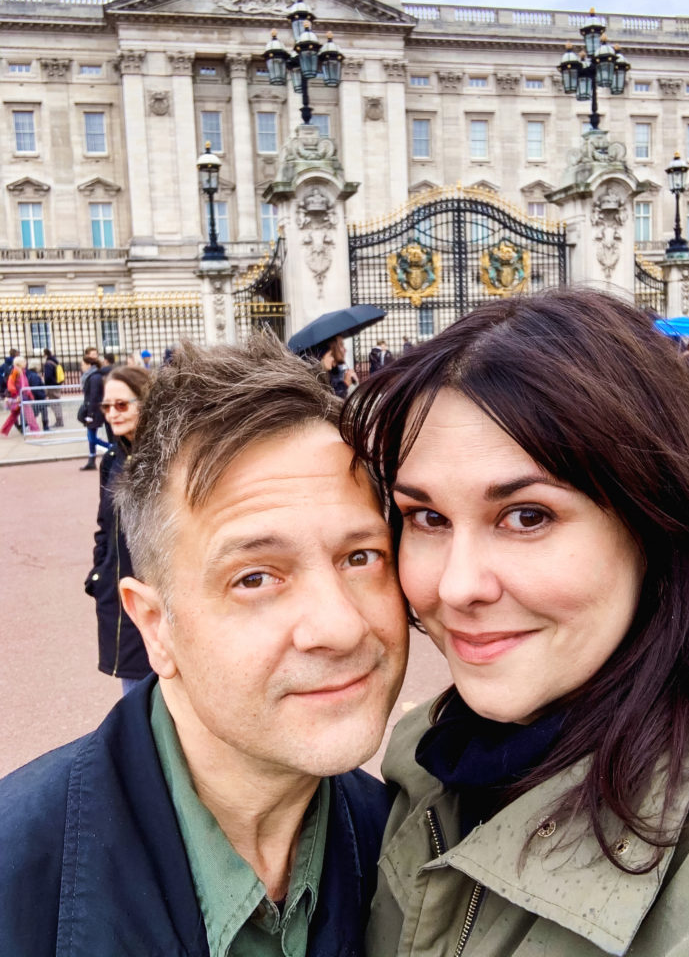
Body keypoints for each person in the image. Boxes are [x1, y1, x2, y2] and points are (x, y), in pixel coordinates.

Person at [343, 290, 689, 957]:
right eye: (427, 517)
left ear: (654, 523)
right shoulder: (424, 759)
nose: (457, 586)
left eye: (527, 516)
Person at [0, 336, 408, 957]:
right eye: (254, 578)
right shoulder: (16, 871)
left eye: (361, 556)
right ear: (155, 626)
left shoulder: (406, 845)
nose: (341, 626)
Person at [85, 365, 153, 694]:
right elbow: (104, 525)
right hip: (121, 590)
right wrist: (100, 571)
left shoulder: (165, 457)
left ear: (146, 402)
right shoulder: (112, 459)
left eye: (122, 405)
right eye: (106, 407)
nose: (112, 414)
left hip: (159, 590)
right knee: (134, 694)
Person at [79, 351, 109, 470]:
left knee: (92, 437)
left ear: (88, 365)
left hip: (94, 412)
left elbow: (94, 396)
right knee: (90, 436)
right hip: (91, 410)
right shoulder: (91, 376)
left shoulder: (94, 377)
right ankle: (91, 460)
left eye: (82, 364)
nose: (81, 367)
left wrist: (90, 414)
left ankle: (111, 448)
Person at [1, 356, 40, 436]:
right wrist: (16, 394)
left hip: (22, 396)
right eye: (24, 361)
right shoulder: (16, 372)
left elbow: (25, 385)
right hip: (20, 397)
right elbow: (11, 384)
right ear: (20, 363)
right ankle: (36, 431)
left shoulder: (22, 372)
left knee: (14, 415)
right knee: (29, 415)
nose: (25, 363)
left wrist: (29, 395)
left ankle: (3, 431)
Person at [42, 348, 64, 427]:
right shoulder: (55, 361)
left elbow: (48, 376)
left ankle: (59, 421)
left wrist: (47, 384)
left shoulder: (48, 363)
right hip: (57, 384)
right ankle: (60, 420)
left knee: (54, 404)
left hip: (52, 386)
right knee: (56, 403)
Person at [26, 363, 48, 430]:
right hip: (39, 397)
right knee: (40, 411)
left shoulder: (30, 374)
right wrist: (43, 395)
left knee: (39, 411)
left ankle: (45, 426)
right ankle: (45, 426)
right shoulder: (34, 376)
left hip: (37, 396)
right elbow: (35, 388)